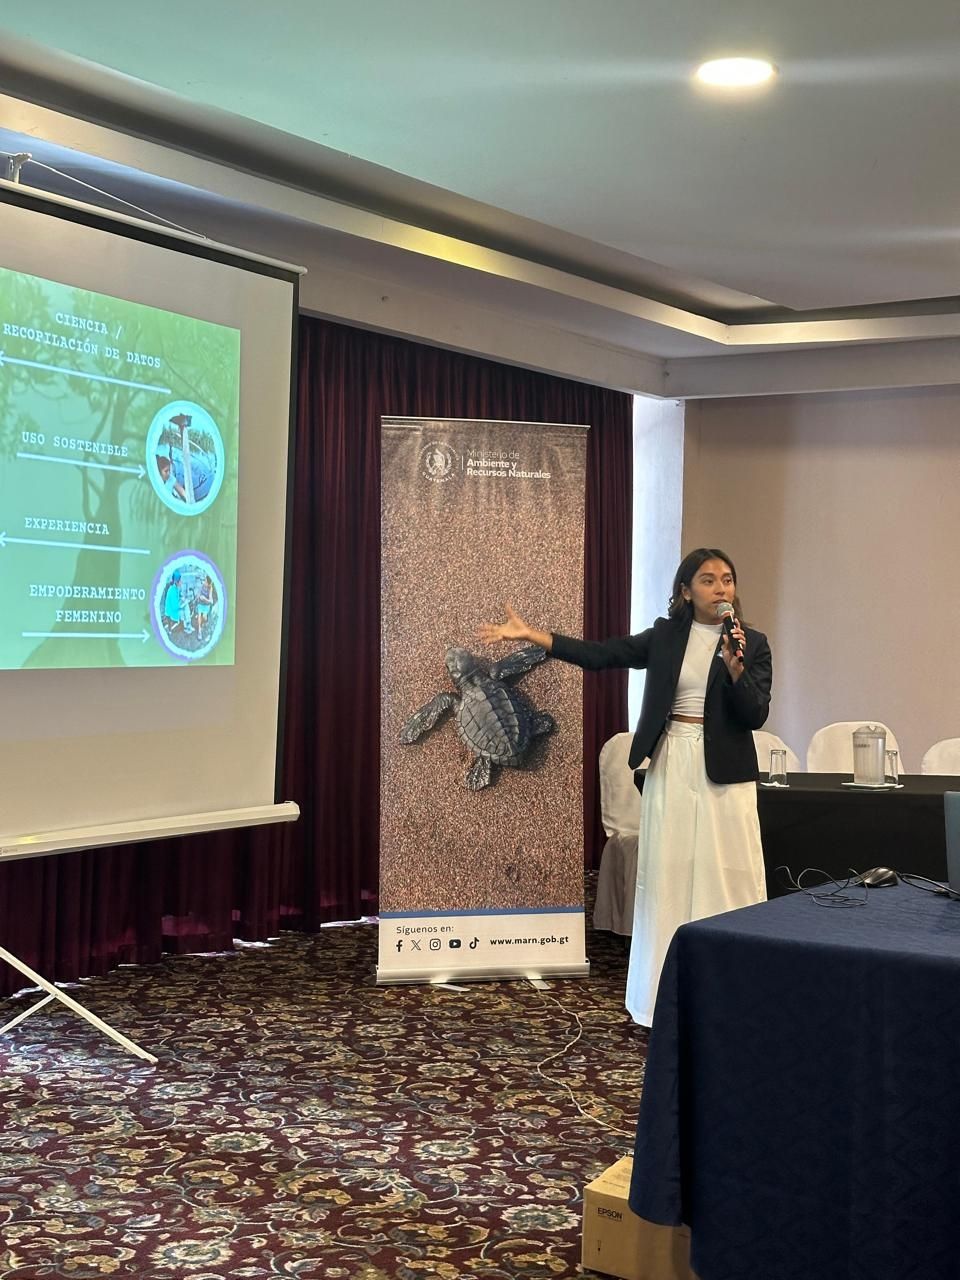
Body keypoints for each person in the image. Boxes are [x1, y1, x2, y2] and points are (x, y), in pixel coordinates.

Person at [478, 548, 771, 1027]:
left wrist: (737, 671)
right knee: (670, 871)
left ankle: (733, 996)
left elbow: (756, 713)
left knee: (728, 872)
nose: (721, 589)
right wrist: (537, 637)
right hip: (674, 756)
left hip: (726, 769)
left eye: (727, 580)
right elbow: (602, 655)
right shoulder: (665, 636)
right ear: (685, 590)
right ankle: (663, 996)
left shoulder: (751, 643)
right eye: (708, 580)